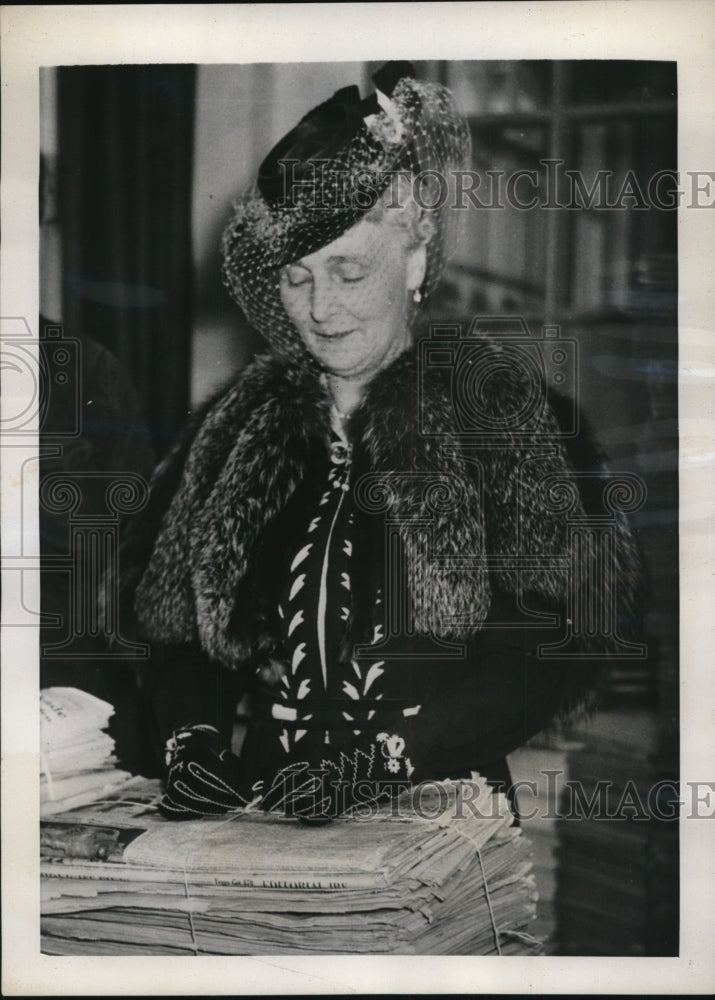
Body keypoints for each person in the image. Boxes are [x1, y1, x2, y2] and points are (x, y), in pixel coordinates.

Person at [118, 62, 641, 820]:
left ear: (415, 259)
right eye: (297, 279)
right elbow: (179, 634)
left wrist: (387, 759)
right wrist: (194, 740)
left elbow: (548, 647)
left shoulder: (498, 416)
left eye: (348, 271)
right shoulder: (235, 428)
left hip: (437, 802)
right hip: (269, 809)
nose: (320, 308)